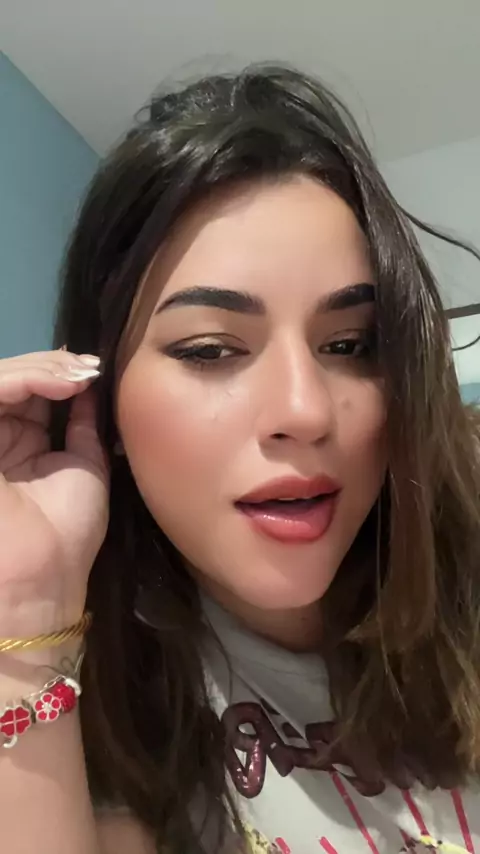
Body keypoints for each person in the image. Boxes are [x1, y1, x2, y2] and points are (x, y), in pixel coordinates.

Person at [0, 64, 479, 854]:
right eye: (211, 349)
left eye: (349, 345)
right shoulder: (100, 706)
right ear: (101, 402)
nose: (304, 410)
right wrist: (25, 609)